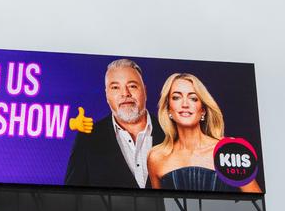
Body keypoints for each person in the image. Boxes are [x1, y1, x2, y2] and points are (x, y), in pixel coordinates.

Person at [147, 73, 261, 192]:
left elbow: (255, 203)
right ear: (168, 109)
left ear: (203, 110)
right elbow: (159, 208)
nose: (185, 104)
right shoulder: (156, 157)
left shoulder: (229, 150)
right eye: (176, 97)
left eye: (193, 98)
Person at [65, 59, 164, 188]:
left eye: (132, 86)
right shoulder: (87, 139)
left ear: (144, 91)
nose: (125, 94)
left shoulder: (172, 132)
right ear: (107, 95)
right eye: (115, 87)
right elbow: (72, 198)